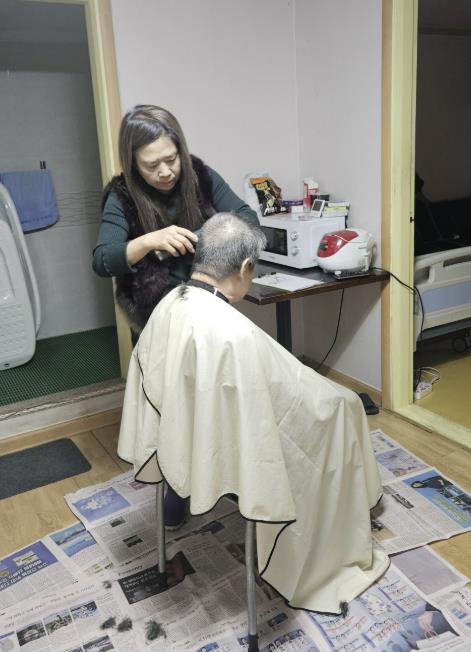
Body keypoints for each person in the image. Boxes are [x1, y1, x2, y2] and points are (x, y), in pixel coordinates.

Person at [118, 212, 390, 614]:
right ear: (246, 268)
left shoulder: (170, 303)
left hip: (185, 430)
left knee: (337, 401)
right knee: (345, 405)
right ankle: (344, 520)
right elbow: (277, 404)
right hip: (245, 433)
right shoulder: (233, 333)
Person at [92, 105, 258, 526]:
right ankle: (176, 485)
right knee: (172, 410)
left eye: (171, 159)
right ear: (132, 163)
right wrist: (149, 241)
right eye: (152, 165)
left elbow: (247, 219)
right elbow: (103, 259)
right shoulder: (121, 197)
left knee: (219, 397)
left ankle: (227, 472)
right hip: (157, 318)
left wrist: (204, 237)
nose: (166, 171)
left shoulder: (199, 175)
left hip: (207, 309)